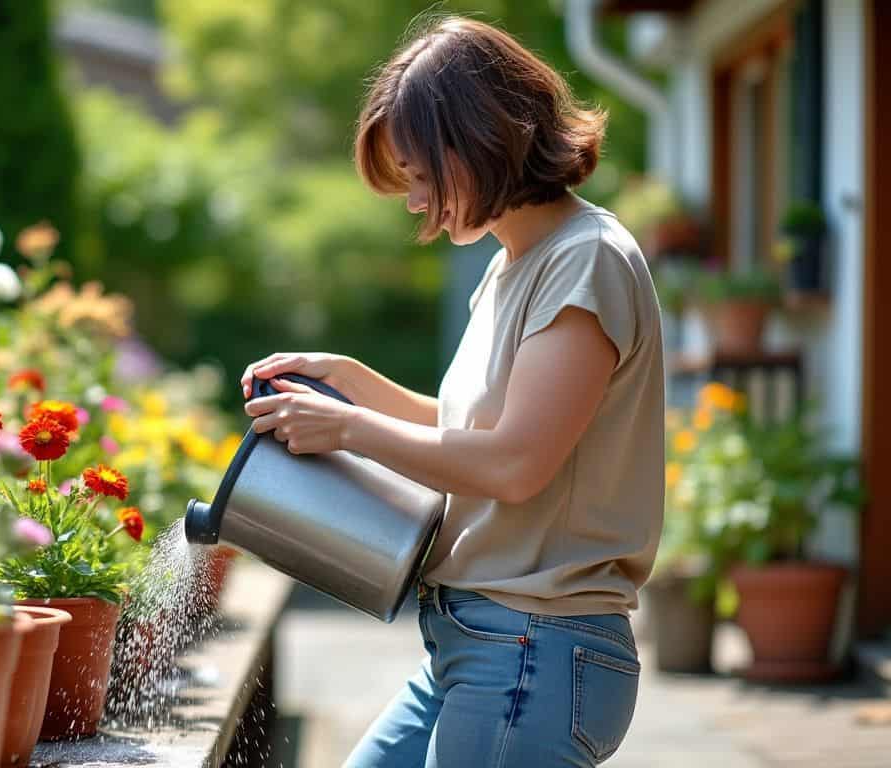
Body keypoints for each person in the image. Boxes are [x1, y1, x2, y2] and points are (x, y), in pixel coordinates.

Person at [239, 16, 664, 768]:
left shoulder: (585, 261)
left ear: (482, 142)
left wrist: (345, 431)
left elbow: (513, 466)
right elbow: (479, 431)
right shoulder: (514, 265)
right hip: (480, 647)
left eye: (423, 176)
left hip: (534, 647)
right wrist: (354, 386)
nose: (414, 203)